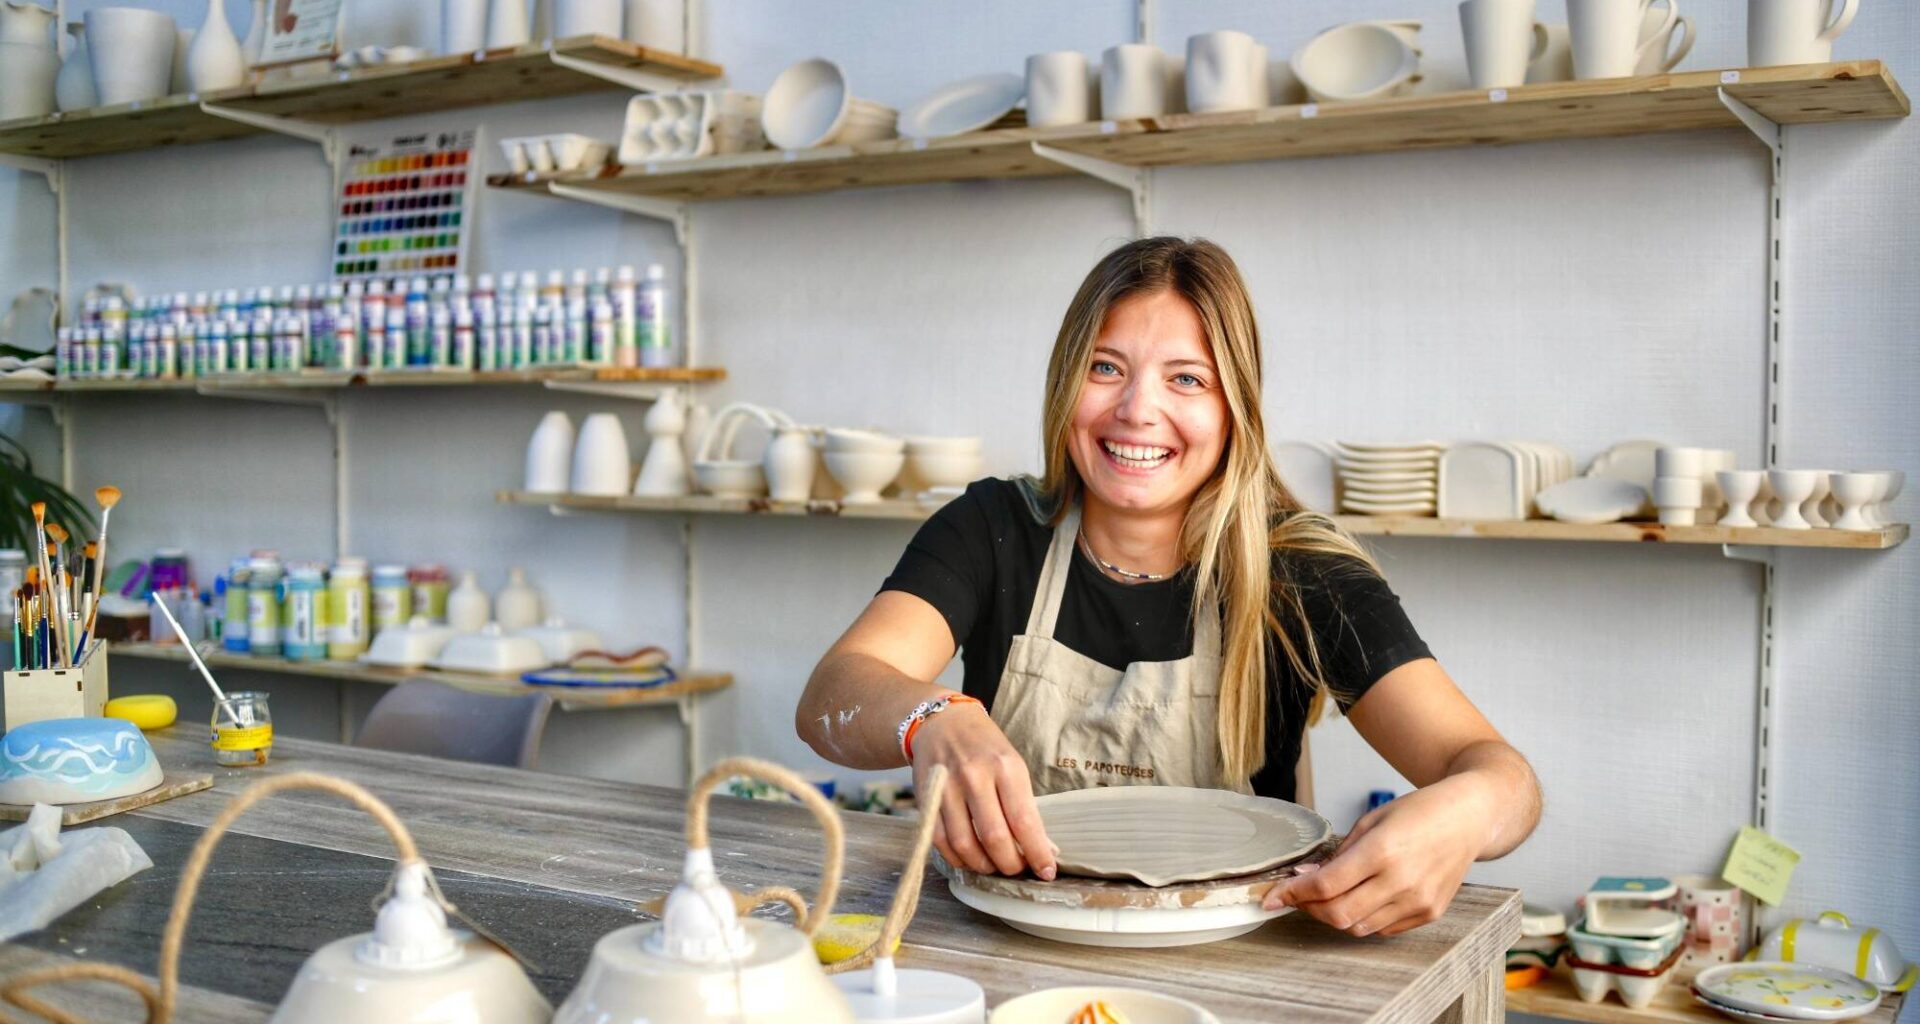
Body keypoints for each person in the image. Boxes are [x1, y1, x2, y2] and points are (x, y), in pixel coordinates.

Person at [796, 237, 1540, 938]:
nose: (1135, 411)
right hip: (1011, 937)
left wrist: (1464, 811)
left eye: (1186, 379)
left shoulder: (1298, 568)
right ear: (1066, 384)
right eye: (1105, 368)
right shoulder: (995, 529)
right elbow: (834, 692)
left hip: (1231, 959)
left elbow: (1503, 778)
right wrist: (933, 717)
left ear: (1233, 408)